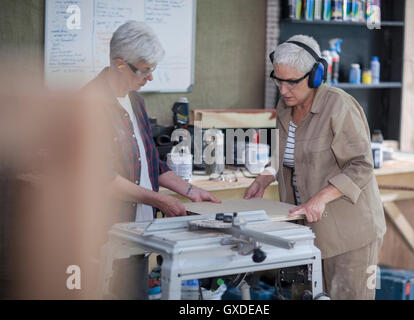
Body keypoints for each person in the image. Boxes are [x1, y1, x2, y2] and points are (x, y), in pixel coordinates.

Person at [83, 20, 220, 299]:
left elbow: (151, 163)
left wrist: (191, 191)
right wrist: (160, 201)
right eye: (145, 71)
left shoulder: (135, 101)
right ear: (120, 64)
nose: (150, 78)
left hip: (138, 234)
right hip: (106, 236)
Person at [244, 35, 386, 300]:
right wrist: (263, 178)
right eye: (278, 79)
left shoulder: (339, 106)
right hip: (304, 230)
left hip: (349, 235)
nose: (283, 89)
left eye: (291, 82)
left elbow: (362, 165)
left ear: (315, 75)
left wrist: (321, 198)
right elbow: (282, 152)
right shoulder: (286, 107)